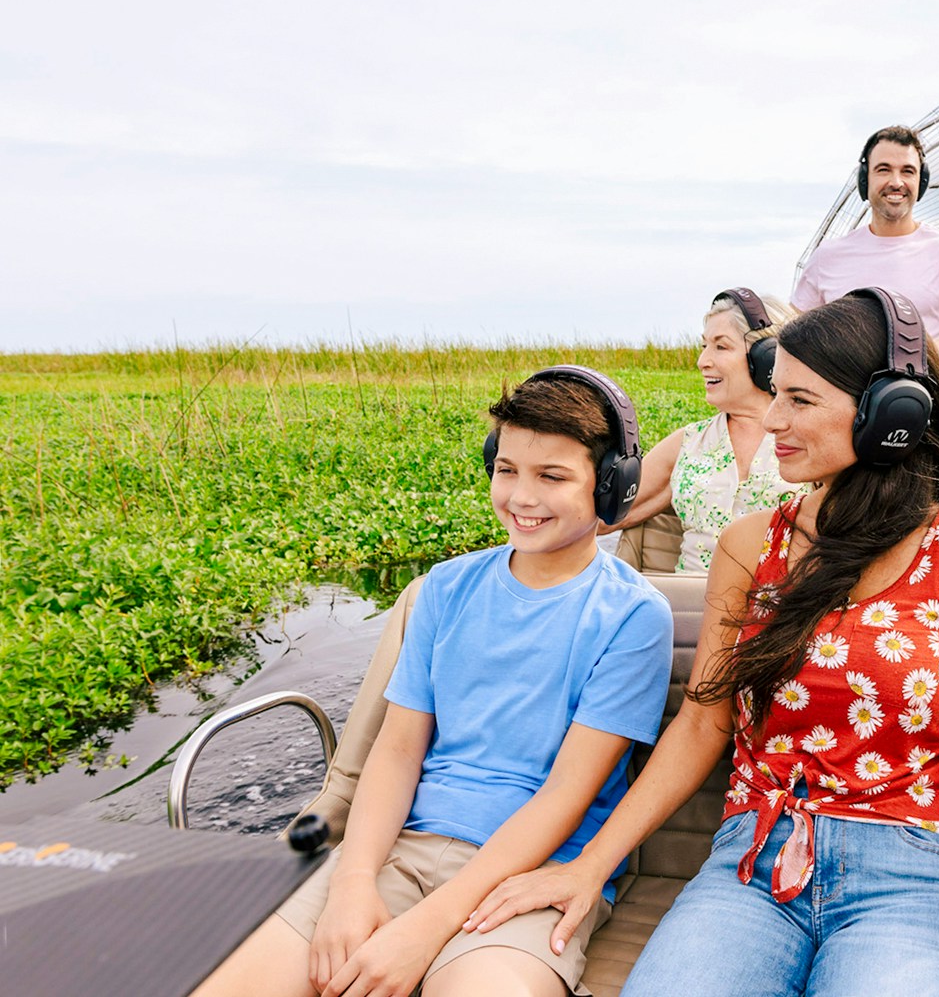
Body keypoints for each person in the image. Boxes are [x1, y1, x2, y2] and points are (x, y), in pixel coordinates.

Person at [463, 289, 939, 997]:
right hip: (752, 861)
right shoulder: (750, 546)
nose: (772, 418)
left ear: (889, 416)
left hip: (915, 875)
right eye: (774, 393)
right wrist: (588, 865)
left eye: (800, 400)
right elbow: (701, 722)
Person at [195, 368, 674, 997]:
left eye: (552, 476)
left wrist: (426, 927)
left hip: (527, 876)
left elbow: (565, 796)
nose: (522, 497)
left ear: (611, 487)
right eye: (507, 470)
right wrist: (352, 884)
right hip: (400, 846)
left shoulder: (634, 616)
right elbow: (394, 753)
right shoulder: (445, 588)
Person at [602, 288, 807, 573]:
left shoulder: (809, 439)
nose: (703, 362)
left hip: (784, 609)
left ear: (768, 357)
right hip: (690, 605)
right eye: (704, 346)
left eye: (720, 347)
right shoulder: (689, 442)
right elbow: (606, 517)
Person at [793, 125, 939, 357]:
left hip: (923, 391)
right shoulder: (827, 256)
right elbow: (792, 336)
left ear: (921, 181)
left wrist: (927, 351)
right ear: (864, 180)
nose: (896, 182)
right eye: (884, 170)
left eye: (907, 171)